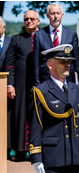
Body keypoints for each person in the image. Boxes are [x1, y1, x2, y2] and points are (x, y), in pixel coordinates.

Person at [28, 44, 79, 173]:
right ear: (50, 64)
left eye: (68, 61)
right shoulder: (40, 91)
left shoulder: (76, 89)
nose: (67, 64)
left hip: (74, 156)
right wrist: (36, 158)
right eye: (62, 61)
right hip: (52, 158)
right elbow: (35, 126)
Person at [4, 10, 40, 160]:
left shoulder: (43, 37)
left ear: (38, 21)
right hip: (20, 86)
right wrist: (9, 84)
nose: (29, 21)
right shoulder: (16, 39)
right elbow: (9, 64)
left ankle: (37, 151)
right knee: (19, 117)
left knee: (37, 118)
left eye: (32, 19)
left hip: (39, 85)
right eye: (26, 19)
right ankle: (20, 151)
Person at [33, 2, 79, 86]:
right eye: (52, 13)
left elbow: (77, 60)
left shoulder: (71, 34)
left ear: (62, 15)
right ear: (47, 15)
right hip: (46, 80)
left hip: (67, 80)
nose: (55, 16)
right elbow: (36, 62)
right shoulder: (39, 34)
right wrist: (37, 84)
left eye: (58, 13)